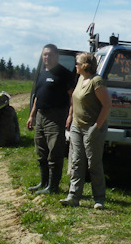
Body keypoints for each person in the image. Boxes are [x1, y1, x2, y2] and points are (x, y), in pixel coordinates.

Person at [60, 52, 111, 210]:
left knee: (93, 163)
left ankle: (99, 198)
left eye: (78, 63)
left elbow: (107, 105)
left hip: (92, 128)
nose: (75, 65)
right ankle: (73, 196)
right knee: (76, 161)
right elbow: (74, 100)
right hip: (77, 127)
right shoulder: (81, 78)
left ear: (86, 65)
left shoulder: (97, 82)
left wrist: (96, 127)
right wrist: (70, 116)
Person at [26, 44, 75, 195]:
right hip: (41, 115)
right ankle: (43, 182)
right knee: (41, 150)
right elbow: (37, 97)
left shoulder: (64, 74)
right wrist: (32, 115)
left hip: (56, 116)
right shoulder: (41, 74)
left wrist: (70, 115)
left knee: (54, 151)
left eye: (50, 55)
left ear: (56, 56)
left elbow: (72, 97)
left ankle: (53, 187)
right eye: (44, 55)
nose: (47, 57)